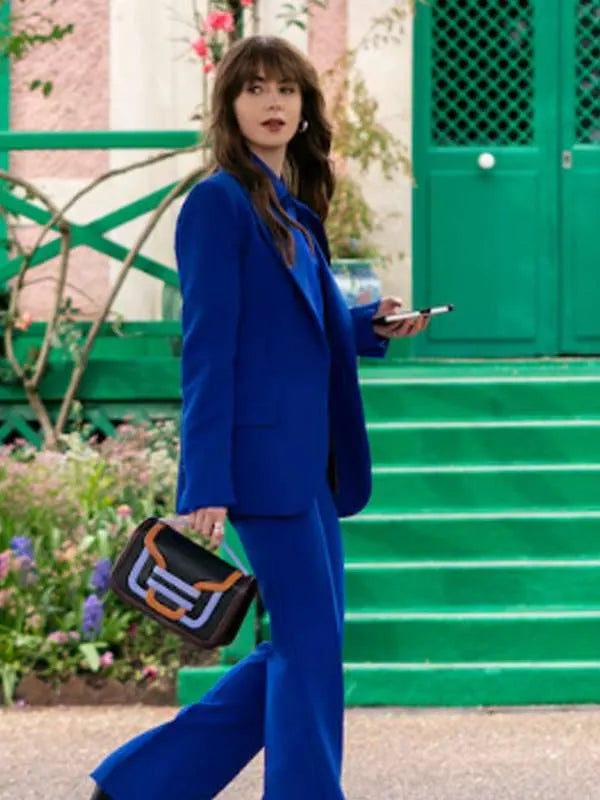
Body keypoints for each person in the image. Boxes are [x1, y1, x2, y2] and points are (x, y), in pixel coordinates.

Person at [89, 34, 429, 800]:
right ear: (229, 106)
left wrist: (370, 326)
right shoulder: (219, 203)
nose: (272, 103)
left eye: (286, 90)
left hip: (310, 468)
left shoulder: (292, 211)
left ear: (305, 109)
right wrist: (204, 481)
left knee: (309, 646)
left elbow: (298, 331)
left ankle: (141, 784)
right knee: (308, 649)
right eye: (254, 89)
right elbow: (210, 349)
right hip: (260, 467)